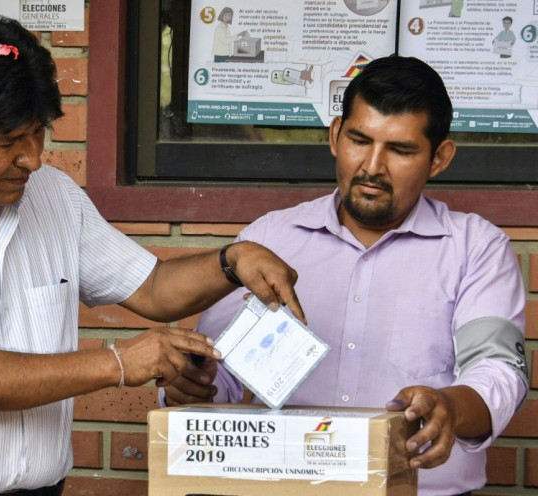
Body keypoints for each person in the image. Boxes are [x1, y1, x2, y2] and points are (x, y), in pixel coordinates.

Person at [0, 10, 305, 496]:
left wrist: (233, 260)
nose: (32, 158)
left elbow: (154, 289)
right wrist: (119, 362)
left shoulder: (52, 195)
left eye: (38, 133)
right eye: (7, 142)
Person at [161, 56, 528, 496]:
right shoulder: (268, 241)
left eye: (400, 149)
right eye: (359, 140)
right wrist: (192, 384)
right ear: (335, 135)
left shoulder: (476, 248)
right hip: (282, 488)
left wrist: (449, 405)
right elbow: (218, 379)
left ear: (439, 158)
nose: (372, 166)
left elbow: (498, 372)